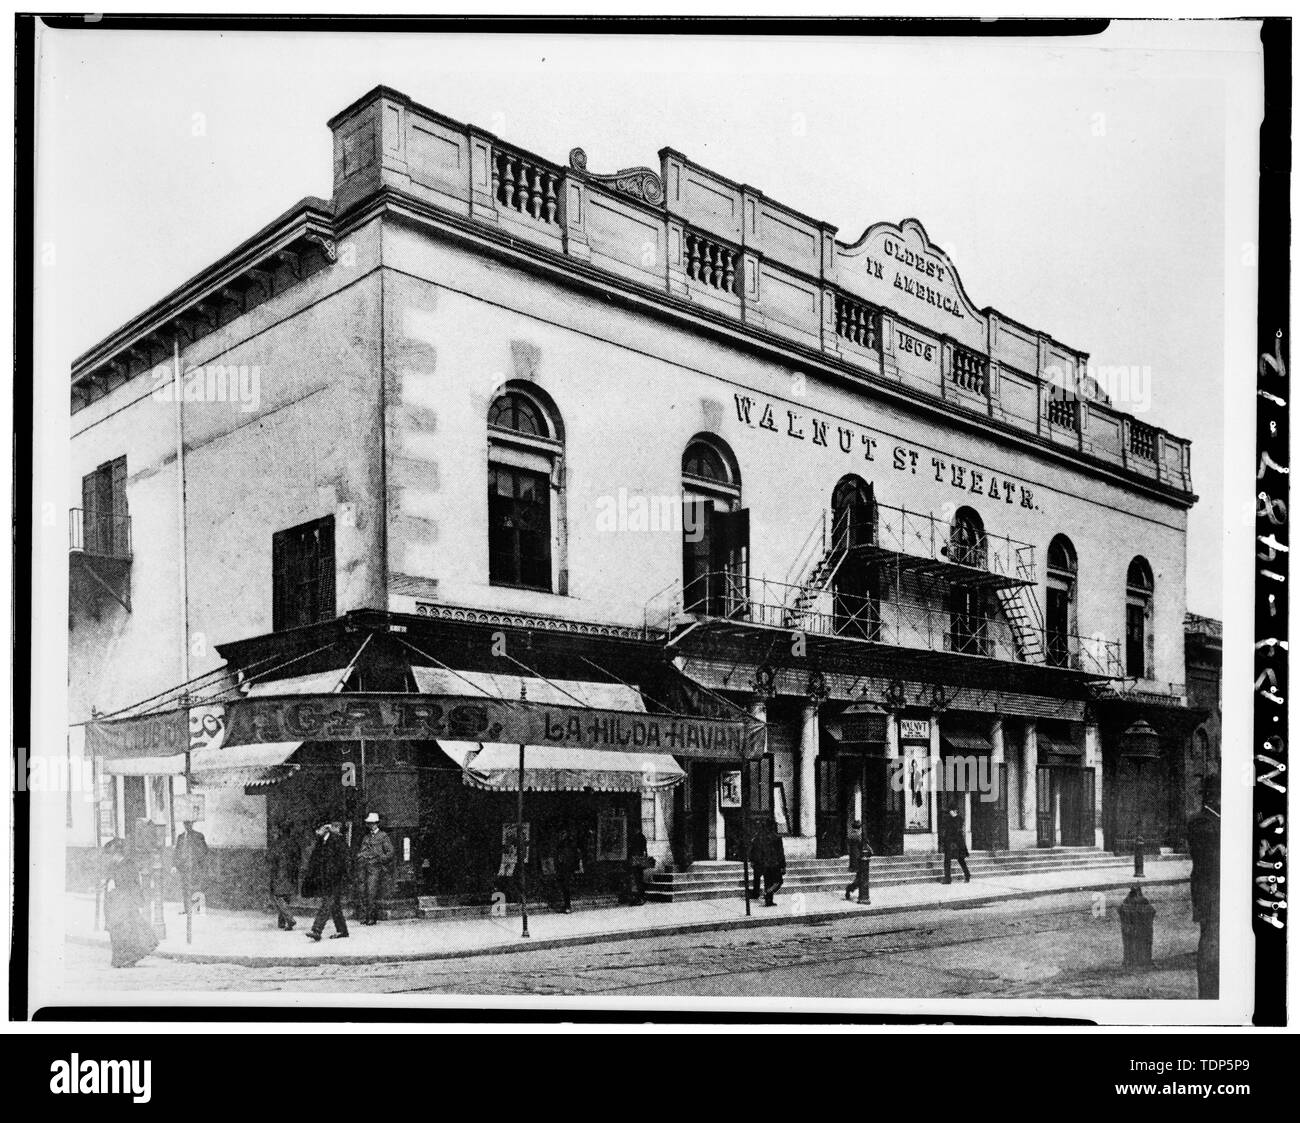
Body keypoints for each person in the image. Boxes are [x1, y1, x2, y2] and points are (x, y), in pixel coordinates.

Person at [1187, 775, 1221, 1000]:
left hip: (1214, 890)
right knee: (1210, 941)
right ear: (1214, 796)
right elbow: (1211, 860)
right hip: (1210, 891)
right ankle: (1208, 997)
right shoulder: (1202, 822)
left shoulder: (1215, 820)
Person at [103, 838, 159, 968]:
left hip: (126, 902)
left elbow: (133, 884)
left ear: (118, 853)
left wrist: (134, 900)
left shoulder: (128, 864)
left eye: (112, 855)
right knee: (119, 930)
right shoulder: (115, 865)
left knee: (128, 930)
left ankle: (128, 958)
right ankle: (121, 959)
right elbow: (110, 878)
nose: (111, 858)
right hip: (118, 901)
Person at [304, 820, 350, 941]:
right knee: (334, 906)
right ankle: (342, 930)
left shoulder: (336, 840)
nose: (316, 832)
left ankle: (317, 930)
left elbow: (344, 861)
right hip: (327, 879)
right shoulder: (323, 841)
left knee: (327, 902)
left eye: (319, 829)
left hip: (335, 879)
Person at [356, 811, 395, 926]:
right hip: (363, 866)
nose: (371, 826)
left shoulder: (383, 836)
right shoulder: (366, 837)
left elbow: (390, 852)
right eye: (369, 823)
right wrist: (360, 856)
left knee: (371, 891)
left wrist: (379, 859)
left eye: (373, 823)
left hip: (375, 868)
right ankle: (363, 917)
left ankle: (371, 917)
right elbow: (362, 850)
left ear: (377, 824)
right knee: (362, 890)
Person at [172, 820, 209, 914]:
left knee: (195, 887)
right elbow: (177, 852)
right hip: (183, 868)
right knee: (185, 888)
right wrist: (175, 865)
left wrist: (199, 863)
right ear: (183, 824)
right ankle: (187, 909)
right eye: (185, 823)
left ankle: (196, 909)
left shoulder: (198, 836)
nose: (187, 825)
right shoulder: (180, 837)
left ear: (192, 824)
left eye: (189, 823)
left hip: (195, 867)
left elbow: (204, 850)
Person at [267, 822, 299, 931]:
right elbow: (297, 858)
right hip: (291, 873)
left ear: (281, 831)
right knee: (285, 897)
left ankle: (289, 919)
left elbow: (272, 858)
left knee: (278, 896)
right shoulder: (294, 843)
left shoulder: (278, 843)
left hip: (280, 872)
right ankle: (282, 922)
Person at [748, 818, 786, 906]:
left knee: (767, 882)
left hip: (764, 863)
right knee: (778, 882)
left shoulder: (759, 837)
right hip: (774, 863)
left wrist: (753, 860)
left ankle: (768, 901)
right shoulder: (777, 838)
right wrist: (783, 866)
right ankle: (768, 893)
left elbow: (754, 850)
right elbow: (780, 853)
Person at [940, 806, 971, 883]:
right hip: (950, 842)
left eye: (951, 811)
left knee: (960, 859)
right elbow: (946, 830)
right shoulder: (948, 819)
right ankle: (947, 878)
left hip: (957, 843)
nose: (950, 812)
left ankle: (967, 874)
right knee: (947, 860)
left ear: (955, 811)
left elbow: (956, 830)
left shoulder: (959, 819)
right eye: (950, 811)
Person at [845, 819, 873, 903]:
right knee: (860, 877)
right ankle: (850, 889)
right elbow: (863, 846)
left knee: (860, 876)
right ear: (859, 827)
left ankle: (850, 889)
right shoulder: (858, 836)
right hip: (860, 859)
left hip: (853, 859)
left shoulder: (850, 835)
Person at [554, 823, 579, 913]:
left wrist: (574, 867)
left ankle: (567, 906)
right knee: (563, 886)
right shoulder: (560, 844)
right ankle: (566, 905)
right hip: (562, 868)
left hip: (567, 868)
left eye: (563, 833)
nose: (561, 835)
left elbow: (575, 856)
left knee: (566, 886)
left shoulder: (569, 844)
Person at [624, 829, 649, 906]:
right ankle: (639, 898)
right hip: (638, 861)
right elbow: (645, 850)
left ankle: (639, 898)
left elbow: (642, 850)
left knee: (637, 880)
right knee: (638, 879)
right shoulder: (641, 837)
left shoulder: (638, 837)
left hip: (637, 861)